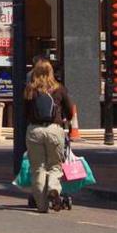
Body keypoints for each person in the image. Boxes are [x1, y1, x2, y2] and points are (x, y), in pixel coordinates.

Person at [24, 60, 77, 213]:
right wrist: (65, 119)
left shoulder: (30, 90)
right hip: (54, 129)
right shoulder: (59, 89)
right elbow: (70, 110)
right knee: (55, 166)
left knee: (38, 168)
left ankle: (41, 206)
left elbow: (24, 112)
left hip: (35, 130)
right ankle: (54, 188)